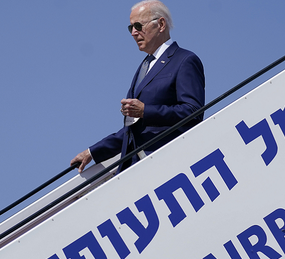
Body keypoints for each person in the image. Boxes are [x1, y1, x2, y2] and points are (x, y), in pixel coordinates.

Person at [71, 0, 205, 173]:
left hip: (165, 164)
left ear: (161, 24)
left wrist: (145, 111)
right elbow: (132, 131)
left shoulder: (184, 60)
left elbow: (193, 112)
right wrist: (93, 152)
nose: (133, 33)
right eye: (130, 28)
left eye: (138, 25)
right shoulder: (144, 66)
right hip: (135, 168)